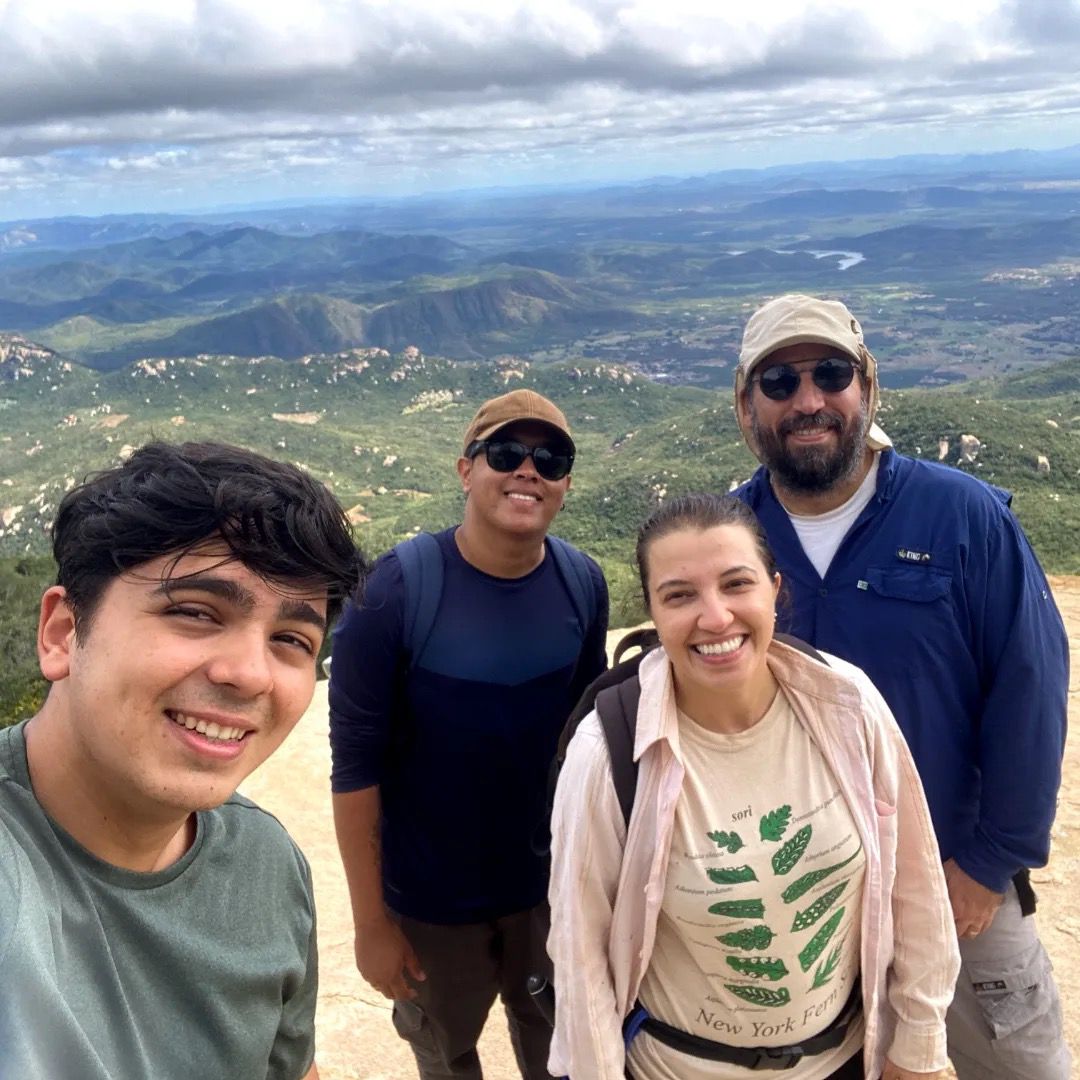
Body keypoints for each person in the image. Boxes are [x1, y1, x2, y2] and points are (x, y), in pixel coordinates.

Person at [732, 293, 1070, 1079]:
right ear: (747, 408)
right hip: (800, 899)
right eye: (779, 382)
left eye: (831, 374)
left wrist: (991, 862)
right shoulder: (732, 535)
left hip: (959, 882)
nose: (808, 399)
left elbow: (1030, 691)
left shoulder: (965, 516)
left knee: (1018, 1066)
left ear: (868, 388)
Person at [548, 493, 958, 1080]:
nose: (714, 617)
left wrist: (919, 1043)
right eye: (680, 595)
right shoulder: (609, 751)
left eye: (736, 584)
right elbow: (579, 950)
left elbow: (913, 881)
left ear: (774, 589)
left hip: (845, 1059)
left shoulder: (845, 703)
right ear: (654, 612)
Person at [0, 440, 365, 1080]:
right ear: (63, 633)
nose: (250, 674)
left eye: (290, 640)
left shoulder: (266, 865)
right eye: (196, 612)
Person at [329, 388, 609, 1079]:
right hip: (430, 907)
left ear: (566, 483)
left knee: (563, 1058)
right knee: (446, 1060)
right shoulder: (392, 595)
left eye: (551, 458)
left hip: (548, 894)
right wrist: (371, 926)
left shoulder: (582, 585)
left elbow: (590, 741)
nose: (528, 470)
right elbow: (354, 769)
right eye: (507, 452)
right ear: (465, 469)